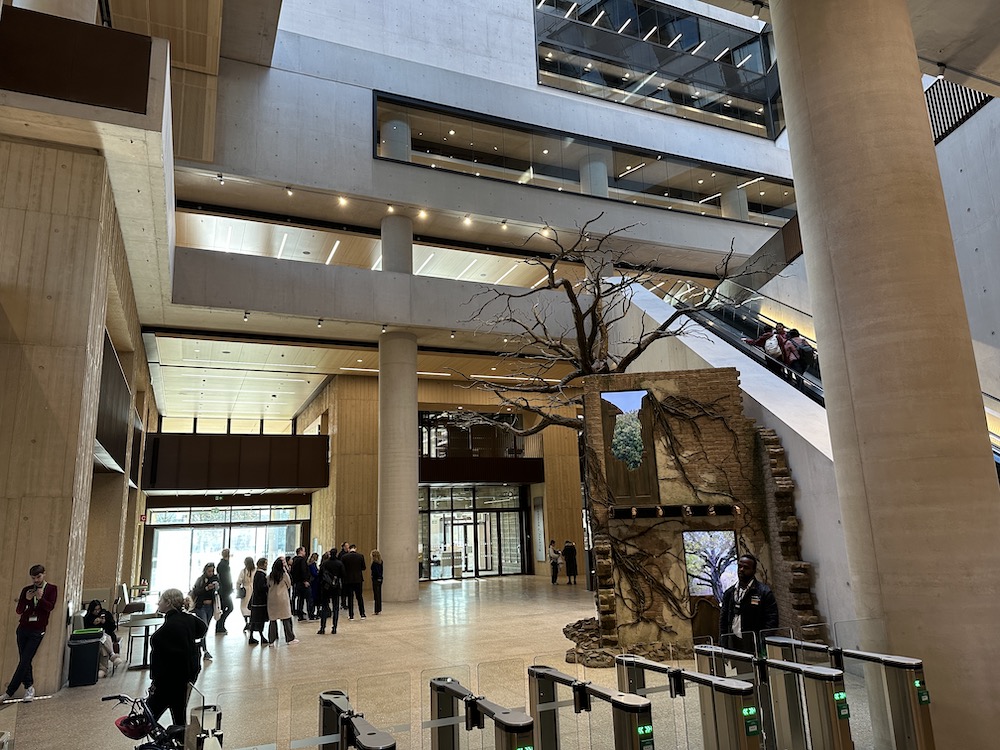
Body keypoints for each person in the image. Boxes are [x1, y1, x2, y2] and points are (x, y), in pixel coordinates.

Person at [146, 588, 207, 727]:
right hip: (187, 675)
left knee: (149, 717)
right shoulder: (188, 619)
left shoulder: (167, 629)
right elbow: (202, 629)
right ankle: (181, 742)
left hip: (169, 680)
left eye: (161, 600)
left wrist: (155, 681)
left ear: (168, 603)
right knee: (179, 714)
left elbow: (160, 660)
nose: (158, 603)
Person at [1, 564, 58, 702]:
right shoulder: (26, 590)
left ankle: (9, 692)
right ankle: (29, 688)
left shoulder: (51, 589)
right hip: (23, 629)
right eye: (33, 578)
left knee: (25, 660)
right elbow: (19, 610)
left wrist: (40, 599)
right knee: (24, 661)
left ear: (44, 574)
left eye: (38, 577)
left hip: (37, 630)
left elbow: (50, 607)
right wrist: (26, 599)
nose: (36, 581)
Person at [719, 554, 779, 655]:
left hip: (754, 643)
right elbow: (723, 619)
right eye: (739, 566)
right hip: (734, 642)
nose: (741, 570)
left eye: (746, 567)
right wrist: (723, 642)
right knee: (742, 670)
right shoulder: (729, 593)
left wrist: (762, 641)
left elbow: (772, 620)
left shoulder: (763, 592)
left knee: (758, 670)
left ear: (754, 571)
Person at [83, 599, 122, 676]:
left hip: (108, 637)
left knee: (104, 638)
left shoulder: (105, 614)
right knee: (102, 643)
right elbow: (87, 629)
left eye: (98, 609)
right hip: (96, 638)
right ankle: (112, 655)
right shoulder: (88, 618)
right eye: (95, 610)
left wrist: (105, 622)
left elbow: (112, 627)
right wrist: (94, 624)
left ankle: (103, 669)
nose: (97, 612)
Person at [189, 563, 219, 660]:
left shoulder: (215, 579)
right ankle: (204, 649)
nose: (211, 573)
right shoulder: (200, 580)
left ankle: (199, 646)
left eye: (212, 571)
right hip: (201, 607)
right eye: (209, 571)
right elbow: (196, 591)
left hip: (210, 607)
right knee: (204, 627)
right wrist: (206, 588)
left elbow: (218, 590)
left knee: (205, 628)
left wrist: (216, 586)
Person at [266, 557, 299, 645]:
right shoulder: (284, 575)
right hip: (283, 599)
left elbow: (268, 584)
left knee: (272, 620)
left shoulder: (270, 575)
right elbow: (289, 584)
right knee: (286, 618)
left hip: (272, 599)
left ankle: (271, 640)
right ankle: (289, 638)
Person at [317, 551, 346, 634]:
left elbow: (320, 575)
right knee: (335, 608)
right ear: (336, 554)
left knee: (325, 607)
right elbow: (343, 575)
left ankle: (322, 627)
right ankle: (334, 628)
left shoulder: (325, 563)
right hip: (335, 587)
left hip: (326, 588)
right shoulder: (339, 563)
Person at [247, 557, 271, 646]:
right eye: (265, 563)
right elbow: (261, 587)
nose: (267, 565)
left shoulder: (258, 574)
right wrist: (268, 586)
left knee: (254, 619)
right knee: (260, 620)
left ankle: (252, 636)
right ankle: (261, 636)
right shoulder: (260, 574)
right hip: (260, 601)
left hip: (256, 600)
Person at [341, 544, 367, 619]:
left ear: (349, 549)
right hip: (358, 579)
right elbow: (363, 567)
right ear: (355, 548)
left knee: (350, 597)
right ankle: (362, 614)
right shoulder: (360, 556)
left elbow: (342, 568)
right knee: (359, 597)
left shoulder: (344, 557)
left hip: (348, 580)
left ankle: (351, 615)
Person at [288, 547, 310, 622]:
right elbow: (303, 570)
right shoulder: (302, 560)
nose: (305, 552)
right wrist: (305, 580)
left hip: (296, 582)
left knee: (298, 598)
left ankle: (298, 612)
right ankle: (303, 613)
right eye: (304, 551)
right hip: (302, 582)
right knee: (303, 598)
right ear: (300, 551)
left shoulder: (294, 560)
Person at [216, 548, 234, 634]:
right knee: (230, 607)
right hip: (225, 591)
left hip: (223, 590)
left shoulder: (222, 564)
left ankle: (220, 626)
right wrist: (230, 588)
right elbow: (226, 578)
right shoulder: (224, 565)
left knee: (224, 608)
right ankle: (220, 625)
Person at [235, 556, 255, 632]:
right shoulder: (255, 570)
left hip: (245, 591)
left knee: (244, 607)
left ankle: (246, 622)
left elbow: (238, 582)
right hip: (253, 590)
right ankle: (251, 622)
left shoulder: (243, 571)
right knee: (251, 607)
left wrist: (238, 589)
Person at [307, 552, 321, 620]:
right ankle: (311, 613)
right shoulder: (312, 565)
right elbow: (315, 573)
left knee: (311, 598)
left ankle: (311, 612)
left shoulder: (309, 564)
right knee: (312, 598)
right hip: (314, 583)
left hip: (313, 583)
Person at [370, 550, 384, 615]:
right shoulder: (381, 562)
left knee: (376, 595)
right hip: (380, 579)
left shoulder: (374, 563)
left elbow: (375, 572)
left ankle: (376, 610)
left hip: (375, 579)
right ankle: (379, 608)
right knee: (379, 594)